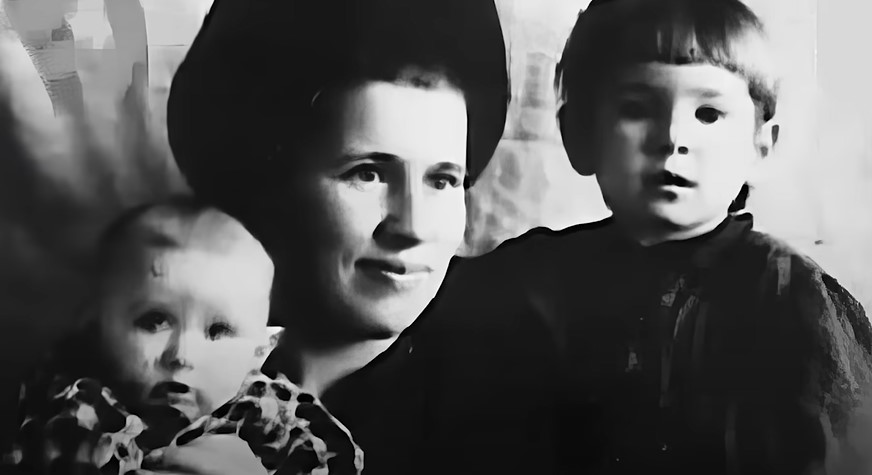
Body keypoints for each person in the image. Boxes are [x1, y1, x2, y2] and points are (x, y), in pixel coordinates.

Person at [448, 0, 872, 473]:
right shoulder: (527, 281)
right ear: (580, 135)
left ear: (760, 146)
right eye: (637, 109)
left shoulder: (793, 298)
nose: (672, 137)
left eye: (707, 114)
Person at [161, 0, 562, 474]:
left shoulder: (512, 387)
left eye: (442, 180)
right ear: (271, 178)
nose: (412, 226)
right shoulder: (165, 353)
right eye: (367, 174)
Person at [4, 198, 363, 475]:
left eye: (219, 330)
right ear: (96, 327)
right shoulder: (74, 406)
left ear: (261, 351)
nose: (183, 355)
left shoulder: (280, 414)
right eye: (154, 321)